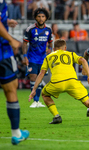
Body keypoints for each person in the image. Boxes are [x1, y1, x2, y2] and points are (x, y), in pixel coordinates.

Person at [28, 39, 89, 125]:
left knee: (44, 94)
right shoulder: (71, 54)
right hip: (72, 82)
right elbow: (84, 60)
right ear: (65, 48)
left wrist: (34, 89)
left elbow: (41, 73)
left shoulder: (48, 57)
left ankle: (56, 116)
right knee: (88, 102)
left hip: (57, 83)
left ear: (54, 49)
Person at [0, 0, 29, 145]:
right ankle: (16, 133)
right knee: (11, 89)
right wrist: (11, 39)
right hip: (2, 53)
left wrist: (6, 22)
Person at [22, 7, 53, 108]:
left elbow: (50, 43)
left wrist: (50, 50)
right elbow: (24, 44)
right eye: (39, 16)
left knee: (39, 79)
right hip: (32, 58)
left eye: (43, 16)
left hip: (43, 59)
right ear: (35, 17)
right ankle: (35, 101)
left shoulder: (48, 29)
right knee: (33, 77)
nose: (41, 18)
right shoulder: (30, 29)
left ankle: (38, 101)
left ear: (46, 18)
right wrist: (25, 56)